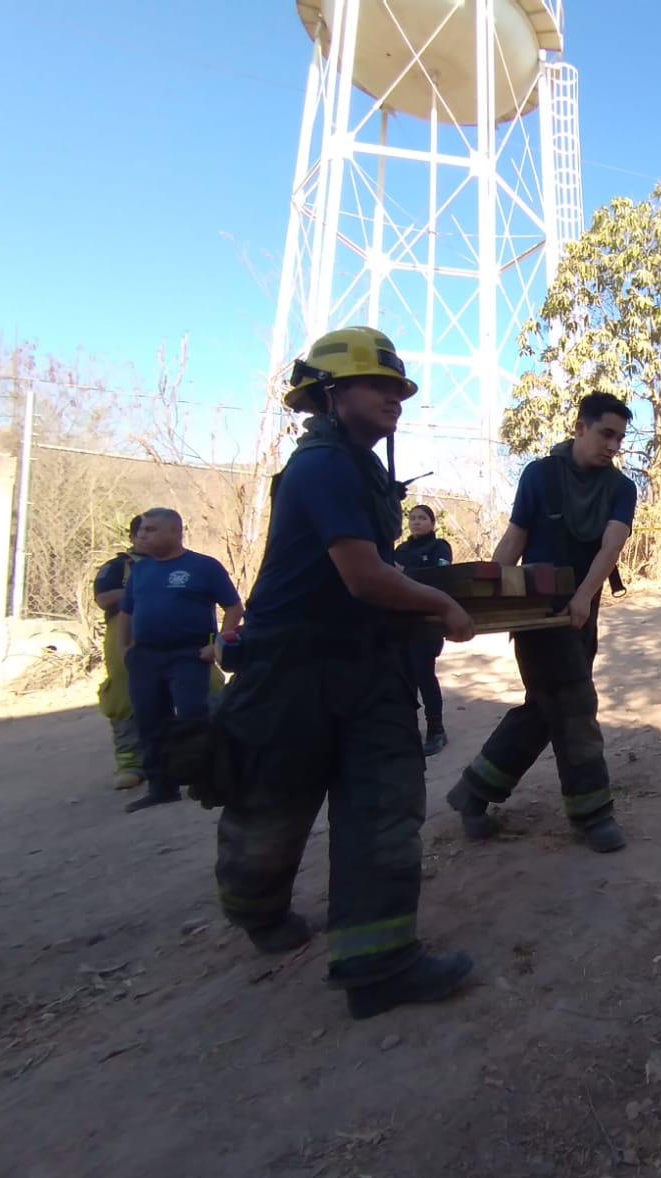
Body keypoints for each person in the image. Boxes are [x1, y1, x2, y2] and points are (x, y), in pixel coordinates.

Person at [211, 326, 476, 1019]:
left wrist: (417, 606)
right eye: (377, 385)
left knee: (382, 807)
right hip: (294, 671)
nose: (394, 397)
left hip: (361, 666)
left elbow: (374, 575)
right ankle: (261, 915)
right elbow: (363, 576)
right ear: (329, 394)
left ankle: (379, 963)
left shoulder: (355, 466)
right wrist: (442, 604)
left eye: (398, 387)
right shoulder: (325, 465)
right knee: (272, 802)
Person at [445, 391, 637, 854]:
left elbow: (610, 547)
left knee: (547, 707)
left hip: (580, 608)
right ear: (580, 428)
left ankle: (474, 791)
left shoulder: (621, 489)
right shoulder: (540, 476)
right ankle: (593, 814)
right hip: (536, 614)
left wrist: (584, 599)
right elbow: (515, 540)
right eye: (605, 434)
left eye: (620, 438)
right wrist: (483, 601)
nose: (613, 445)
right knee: (574, 703)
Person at [119, 508, 243, 813]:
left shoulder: (203, 567)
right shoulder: (141, 570)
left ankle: (205, 779)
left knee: (192, 716)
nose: (142, 534)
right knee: (149, 718)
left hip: (188, 654)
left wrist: (216, 646)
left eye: (150, 530)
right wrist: (126, 649)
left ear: (175, 533)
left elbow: (234, 607)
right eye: (142, 530)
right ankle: (162, 786)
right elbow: (127, 612)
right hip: (145, 656)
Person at [393, 504, 454, 756]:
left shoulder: (440, 547)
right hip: (400, 620)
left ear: (432, 523)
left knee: (424, 674)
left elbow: (439, 577)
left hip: (428, 620)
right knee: (402, 677)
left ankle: (436, 729)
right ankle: (407, 729)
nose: (416, 522)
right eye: (412, 518)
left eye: (422, 518)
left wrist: (404, 573)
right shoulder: (401, 550)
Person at [93, 514, 146, 789]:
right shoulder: (118, 567)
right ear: (133, 537)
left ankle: (195, 757)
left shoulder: (190, 564)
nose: (149, 537)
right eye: (144, 531)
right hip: (126, 632)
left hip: (178, 633)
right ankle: (130, 761)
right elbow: (104, 598)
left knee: (206, 687)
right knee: (124, 693)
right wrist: (147, 590)